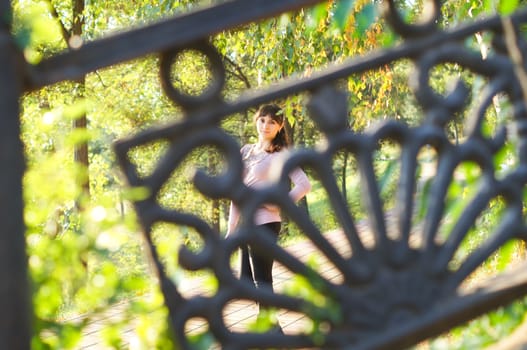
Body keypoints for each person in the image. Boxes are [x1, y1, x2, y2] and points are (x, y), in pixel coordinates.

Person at [227, 104, 311, 295]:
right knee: (253, 281)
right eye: (262, 120)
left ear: (280, 127)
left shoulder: (281, 154)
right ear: (256, 120)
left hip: (266, 223)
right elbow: (236, 191)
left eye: (272, 122)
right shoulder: (246, 151)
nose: (265, 125)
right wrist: (232, 228)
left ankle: (269, 323)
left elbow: (304, 185)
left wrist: (278, 204)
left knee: (262, 279)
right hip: (246, 225)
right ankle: (268, 322)